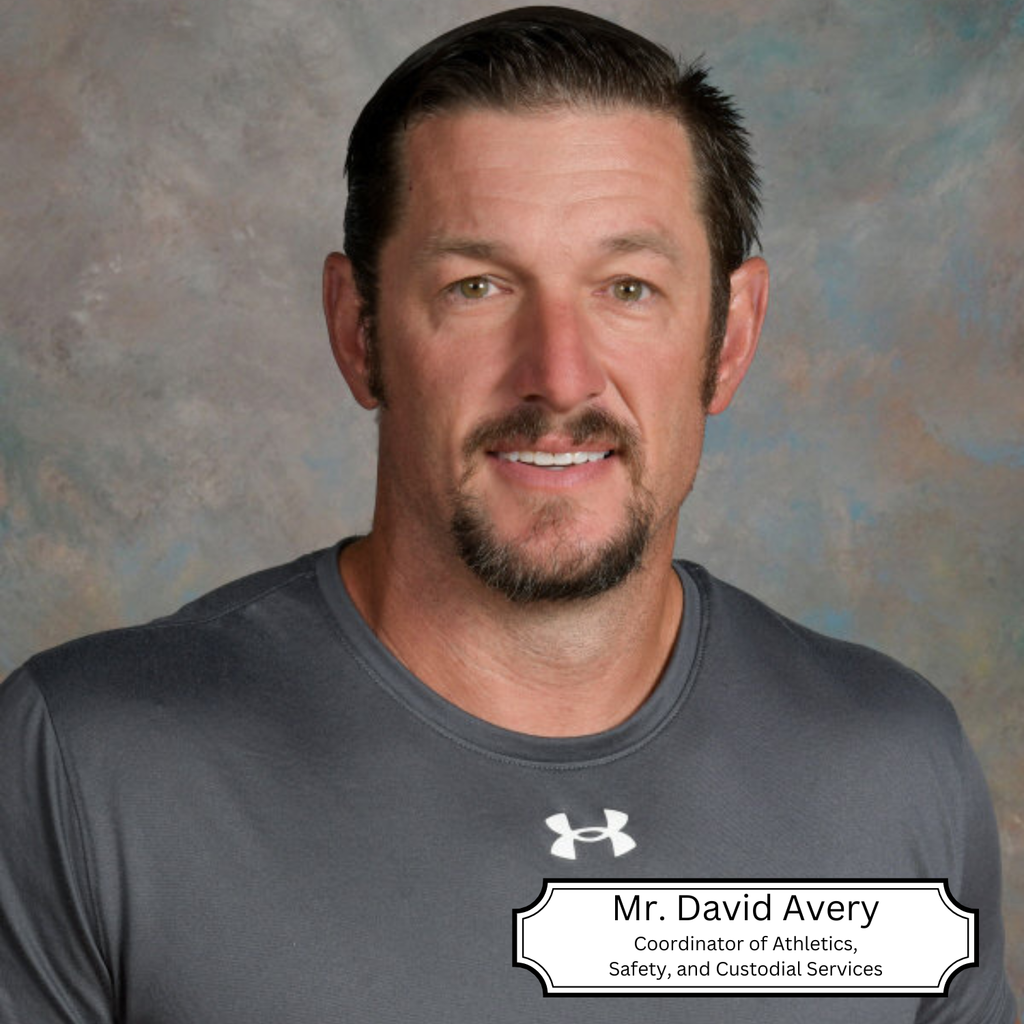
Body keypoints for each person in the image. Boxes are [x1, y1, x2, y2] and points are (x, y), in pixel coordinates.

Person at [0, 7, 1015, 1022]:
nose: (558, 375)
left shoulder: (888, 769)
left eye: (627, 287)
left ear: (731, 333)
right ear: (360, 333)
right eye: (477, 285)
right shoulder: (90, 766)